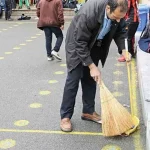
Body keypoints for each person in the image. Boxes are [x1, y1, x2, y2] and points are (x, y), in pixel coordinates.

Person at [60, 0, 132, 132]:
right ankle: (65, 117)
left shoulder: (117, 13)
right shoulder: (88, 13)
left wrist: (123, 49)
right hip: (77, 44)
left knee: (90, 79)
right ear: (108, 8)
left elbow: (120, 31)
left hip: (94, 43)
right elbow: (80, 42)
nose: (117, 20)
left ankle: (88, 111)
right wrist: (92, 66)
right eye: (115, 17)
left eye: (120, 18)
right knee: (73, 79)